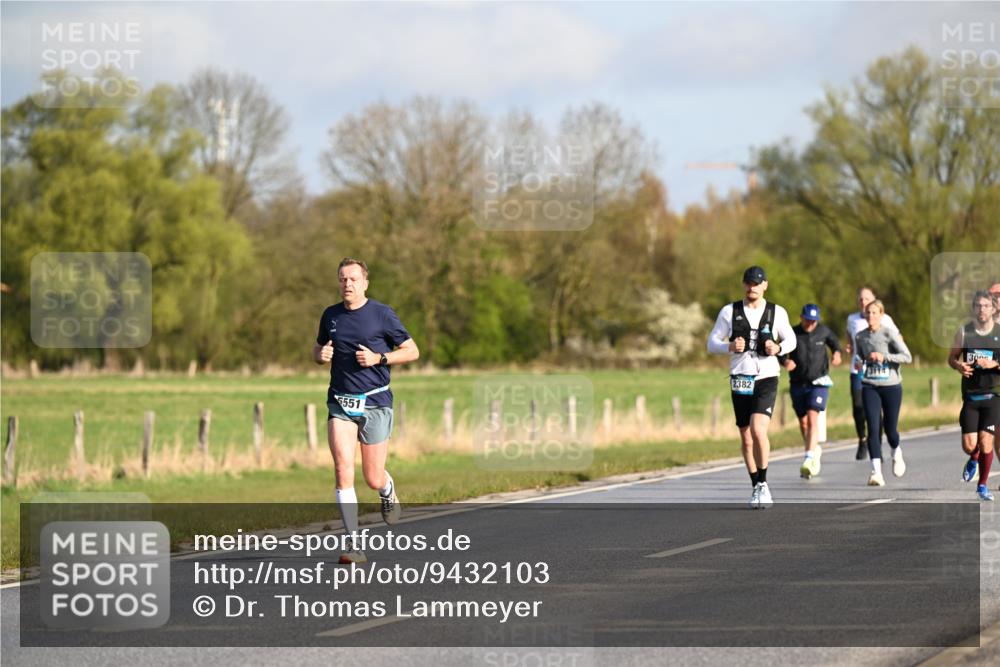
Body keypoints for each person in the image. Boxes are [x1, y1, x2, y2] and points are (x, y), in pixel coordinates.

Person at [313, 258, 420, 563]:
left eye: (353, 279)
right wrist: (320, 355)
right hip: (340, 402)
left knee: (372, 477)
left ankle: (387, 490)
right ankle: (353, 544)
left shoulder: (382, 314)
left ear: (365, 283)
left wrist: (379, 359)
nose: (348, 284)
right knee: (342, 470)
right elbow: (317, 349)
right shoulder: (330, 315)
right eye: (343, 279)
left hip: (375, 401)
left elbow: (412, 351)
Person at [707, 265, 796, 509]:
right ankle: (755, 484)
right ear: (743, 285)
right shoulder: (729, 311)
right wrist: (728, 347)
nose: (751, 287)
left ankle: (764, 484)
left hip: (767, 377)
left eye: (756, 283)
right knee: (746, 438)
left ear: (765, 285)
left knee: (758, 430)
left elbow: (791, 338)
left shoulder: (777, 312)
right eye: (748, 283)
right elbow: (711, 342)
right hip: (740, 378)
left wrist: (778, 348)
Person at [779, 304, 842, 479]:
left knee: (813, 417)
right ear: (801, 317)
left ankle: (808, 458)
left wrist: (836, 354)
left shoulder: (823, 331)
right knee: (804, 423)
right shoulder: (793, 333)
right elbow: (780, 351)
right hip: (798, 383)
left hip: (819, 382)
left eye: (813, 321)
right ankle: (814, 448)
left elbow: (835, 344)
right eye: (807, 320)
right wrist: (785, 362)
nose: (810, 324)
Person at [948, 290, 1000, 502]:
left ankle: (982, 485)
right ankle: (973, 457)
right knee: (969, 445)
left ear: (993, 309)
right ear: (973, 308)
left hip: (993, 396)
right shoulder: (964, 332)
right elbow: (951, 357)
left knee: (986, 442)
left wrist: (994, 364)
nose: (982, 309)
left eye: (986, 306)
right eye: (978, 305)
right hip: (971, 396)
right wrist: (959, 366)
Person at [855, 300, 912, 486]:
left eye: (874, 312)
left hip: (891, 386)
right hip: (869, 385)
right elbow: (860, 356)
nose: (871, 316)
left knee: (890, 430)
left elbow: (907, 356)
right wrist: (858, 361)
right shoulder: (860, 336)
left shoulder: (889, 333)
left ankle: (896, 451)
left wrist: (884, 357)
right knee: (872, 428)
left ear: (881, 314)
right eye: (868, 313)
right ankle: (876, 472)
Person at [845, 287, 898, 460]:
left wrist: (887, 355)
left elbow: (898, 340)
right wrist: (850, 346)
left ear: (874, 299)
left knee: (876, 412)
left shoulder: (886, 319)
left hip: (880, 373)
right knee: (859, 408)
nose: (863, 302)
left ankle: (876, 444)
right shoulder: (852, 319)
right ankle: (862, 439)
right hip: (858, 369)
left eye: (867, 298)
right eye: (860, 299)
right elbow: (849, 336)